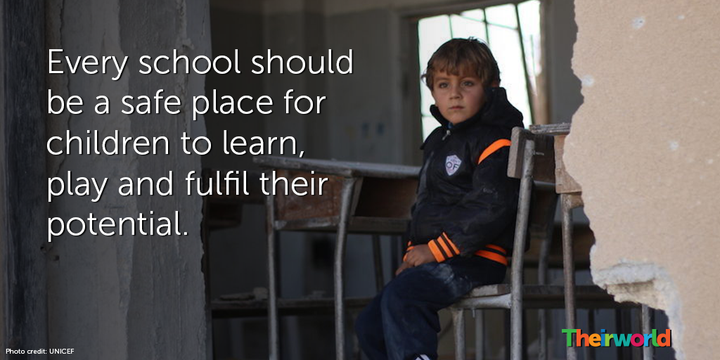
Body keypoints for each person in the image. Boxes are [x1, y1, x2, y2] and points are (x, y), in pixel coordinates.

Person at [354, 38, 524, 360]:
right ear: (432, 91)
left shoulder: (498, 140)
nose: (454, 93)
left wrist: (434, 251)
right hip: (442, 257)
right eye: (444, 84)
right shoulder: (439, 142)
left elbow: (491, 206)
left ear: (491, 87)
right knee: (369, 324)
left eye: (468, 83)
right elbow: (424, 207)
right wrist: (412, 256)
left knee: (404, 297)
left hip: (475, 259)